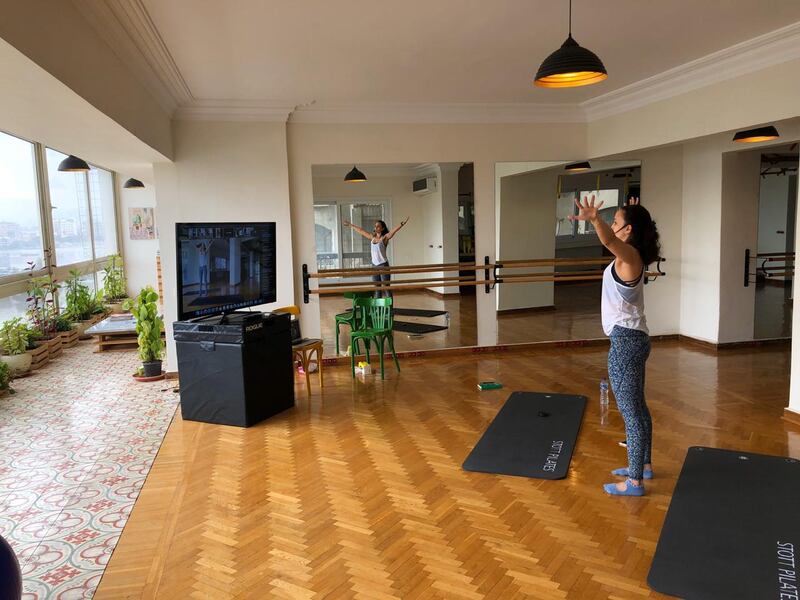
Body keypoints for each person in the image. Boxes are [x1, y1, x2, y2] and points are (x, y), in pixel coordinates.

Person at [570, 195, 661, 497]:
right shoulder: (630, 257)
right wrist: (629, 214)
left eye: (617, 221)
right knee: (638, 408)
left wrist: (595, 219)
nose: (612, 225)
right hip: (632, 338)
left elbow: (609, 241)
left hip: (626, 342)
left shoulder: (630, 258)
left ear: (628, 230)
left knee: (631, 412)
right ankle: (643, 465)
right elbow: (614, 240)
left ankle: (634, 482)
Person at [343, 217, 409, 298]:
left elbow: (392, 232)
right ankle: (378, 309)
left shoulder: (384, 238)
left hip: (383, 265)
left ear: (382, 228)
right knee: (377, 289)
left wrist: (401, 224)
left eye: (378, 226)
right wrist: (350, 225)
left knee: (386, 288)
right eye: (375, 226)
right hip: (374, 266)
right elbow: (361, 231)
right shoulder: (372, 238)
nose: (375, 227)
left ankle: (390, 309)